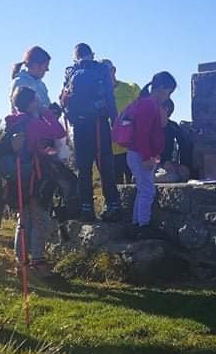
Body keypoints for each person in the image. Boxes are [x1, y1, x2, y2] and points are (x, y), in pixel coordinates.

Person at [3, 86, 66, 278]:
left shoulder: (13, 122)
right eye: (36, 100)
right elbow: (59, 132)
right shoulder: (33, 123)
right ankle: (38, 262)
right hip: (35, 178)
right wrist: (47, 113)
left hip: (18, 178)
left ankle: (21, 262)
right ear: (31, 103)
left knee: (24, 220)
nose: (39, 102)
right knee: (41, 219)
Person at [60, 43, 120, 223]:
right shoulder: (101, 69)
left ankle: (86, 207)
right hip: (99, 124)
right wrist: (114, 121)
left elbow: (64, 99)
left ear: (75, 56)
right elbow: (109, 97)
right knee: (105, 165)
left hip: (79, 126)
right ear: (92, 54)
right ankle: (112, 205)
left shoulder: (70, 71)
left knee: (83, 168)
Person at [125, 71, 177, 237]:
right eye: (168, 92)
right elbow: (142, 134)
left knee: (143, 189)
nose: (168, 97)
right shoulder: (148, 105)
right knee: (148, 191)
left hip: (138, 153)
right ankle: (143, 226)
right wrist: (147, 157)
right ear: (161, 89)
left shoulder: (146, 103)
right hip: (140, 154)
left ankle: (136, 224)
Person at [101, 59, 141, 184]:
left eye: (106, 71)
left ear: (114, 70)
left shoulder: (131, 88)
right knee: (114, 185)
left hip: (131, 147)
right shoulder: (98, 94)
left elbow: (142, 113)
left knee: (135, 183)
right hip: (110, 149)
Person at [157, 98, 194, 183]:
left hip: (168, 165)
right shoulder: (149, 126)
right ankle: (141, 178)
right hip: (152, 164)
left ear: (166, 109)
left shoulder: (172, 126)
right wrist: (163, 162)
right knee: (172, 177)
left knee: (185, 173)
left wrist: (183, 165)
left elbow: (184, 145)